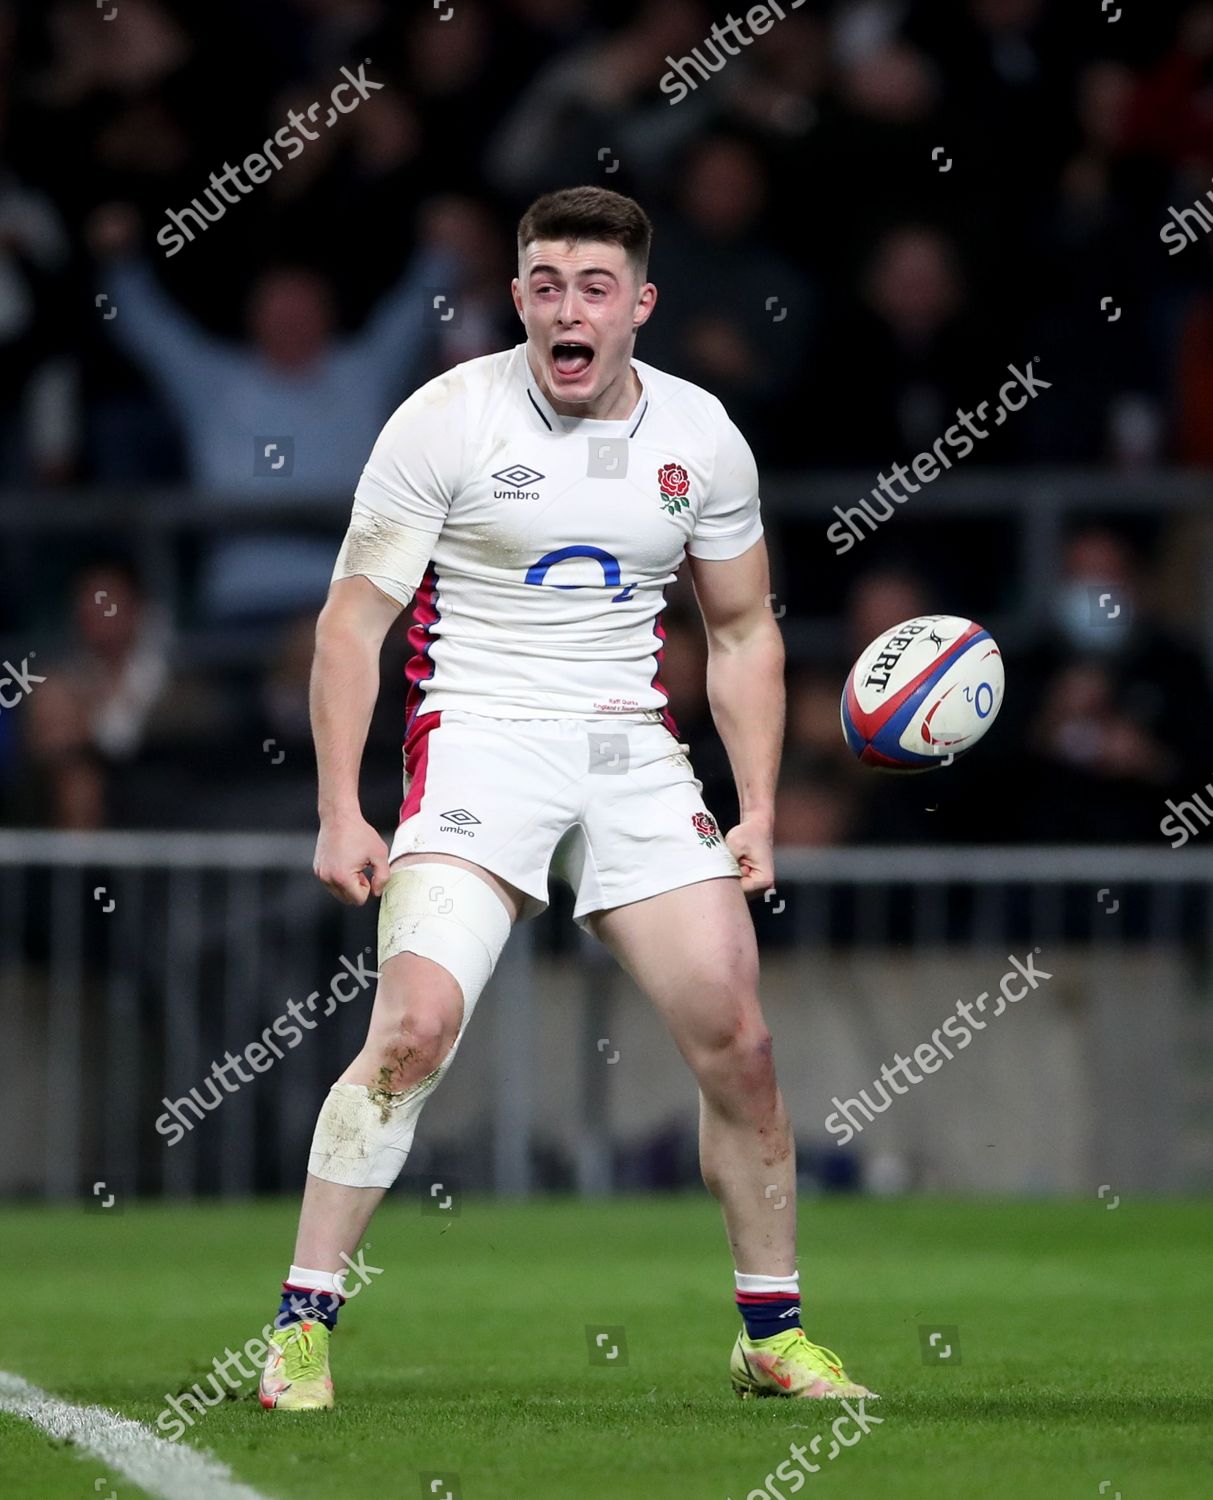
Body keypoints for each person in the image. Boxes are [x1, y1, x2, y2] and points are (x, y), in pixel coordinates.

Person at [257, 186, 876, 1410]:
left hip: (632, 749)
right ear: (519, 299)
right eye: (544, 284)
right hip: (479, 737)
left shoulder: (701, 435)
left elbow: (743, 628)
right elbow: (351, 622)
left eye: (594, 287)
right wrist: (340, 805)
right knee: (415, 1030)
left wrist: (754, 806)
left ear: (640, 305)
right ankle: (299, 1326)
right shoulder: (445, 419)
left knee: (740, 1044)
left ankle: (770, 1337)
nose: (565, 308)